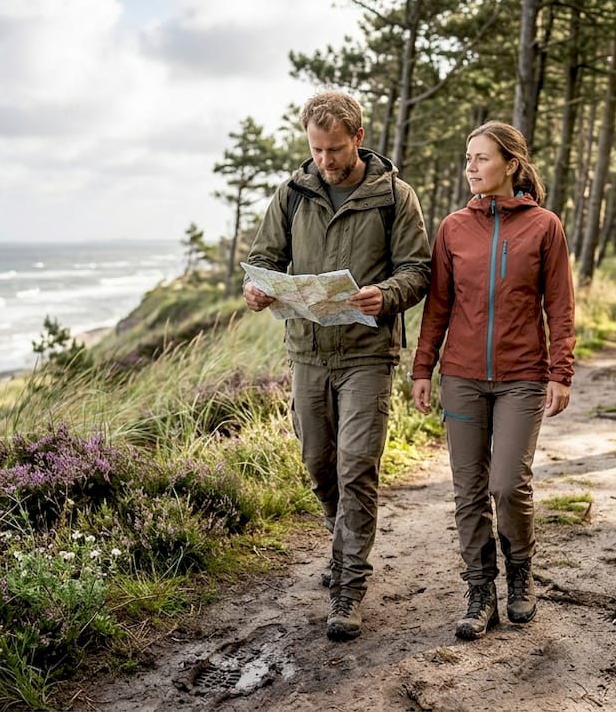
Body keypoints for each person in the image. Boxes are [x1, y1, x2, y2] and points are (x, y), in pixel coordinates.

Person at [243, 91, 431, 641]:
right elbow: (262, 261)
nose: (325, 160)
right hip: (306, 351)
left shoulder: (396, 196)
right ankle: (340, 540)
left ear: (359, 138)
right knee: (317, 463)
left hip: (368, 354)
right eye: (316, 149)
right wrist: (256, 289)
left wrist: (386, 294)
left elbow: (418, 270)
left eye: (334, 149)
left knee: (356, 466)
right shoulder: (292, 194)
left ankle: (348, 587)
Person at [410, 120, 575, 640]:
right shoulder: (453, 228)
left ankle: (520, 575)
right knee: (468, 490)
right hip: (460, 376)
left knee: (508, 483)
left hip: (523, 377)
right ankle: (480, 590)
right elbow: (438, 307)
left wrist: (560, 372)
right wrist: (423, 368)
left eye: (481, 158)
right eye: (467, 158)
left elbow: (560, 307)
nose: (471, 168)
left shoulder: (544, 226)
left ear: (511, 163)